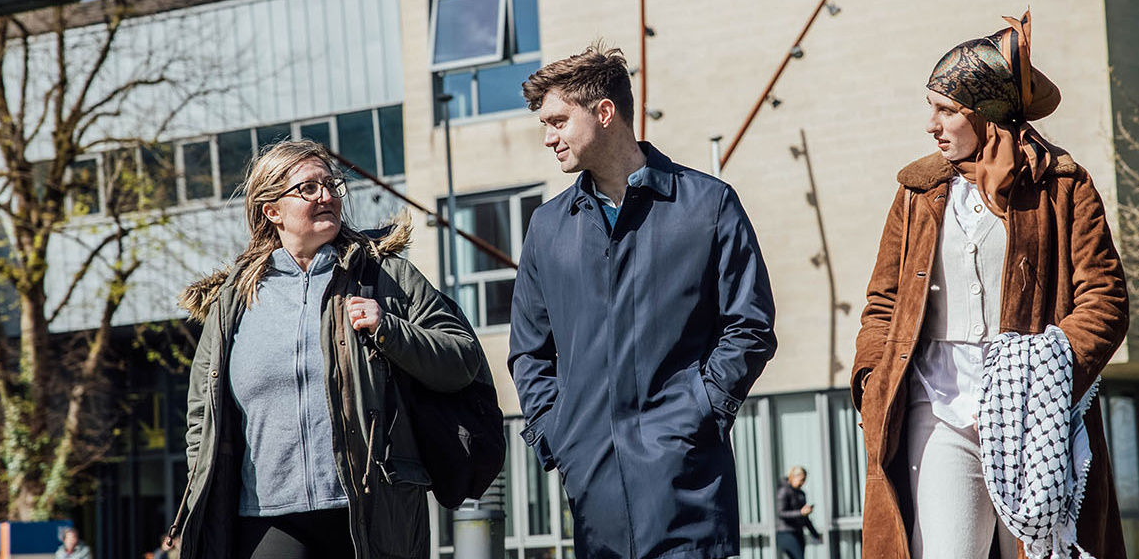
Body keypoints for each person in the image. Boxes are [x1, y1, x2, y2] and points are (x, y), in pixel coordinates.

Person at [852, 12, 1129, 559]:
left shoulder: (1065, 189)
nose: (931, 124)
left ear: (986, 115)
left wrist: (1042, 375)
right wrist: (870, 377)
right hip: (937, 409)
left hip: (1036, 420)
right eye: (930, 107)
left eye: (946, 109)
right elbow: (882, 302)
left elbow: (1105, 300)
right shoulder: (917, 192)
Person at [508, 44, 777, 559]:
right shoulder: (547, 228)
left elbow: (750, 325)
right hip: (591, 485)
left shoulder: (707, 204)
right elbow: (529, 352)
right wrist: (558, 435)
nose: (549, 138)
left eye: (559, 121)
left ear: (604, 112)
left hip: (688, 483)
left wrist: (698, 413)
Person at [165, 139, 489, 559]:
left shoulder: (386, 275)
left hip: (370, 509)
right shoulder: (234, 300)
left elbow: (462, 359)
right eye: (308, 188)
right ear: (272, 210)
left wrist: (388, 329)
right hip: (265, 516)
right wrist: (203, 478)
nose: (327, 196)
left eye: (332, 185)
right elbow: (201, 412)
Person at [775, 466, 822, 559]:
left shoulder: (801, 494)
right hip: (786, 533)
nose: (803, 483)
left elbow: (805, 518)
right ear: (793, 477)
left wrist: (815, 534)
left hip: (798, 532)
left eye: (804, 480)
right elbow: (781, 513)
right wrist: (800, 513)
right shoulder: (783, 491)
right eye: (801, 480)